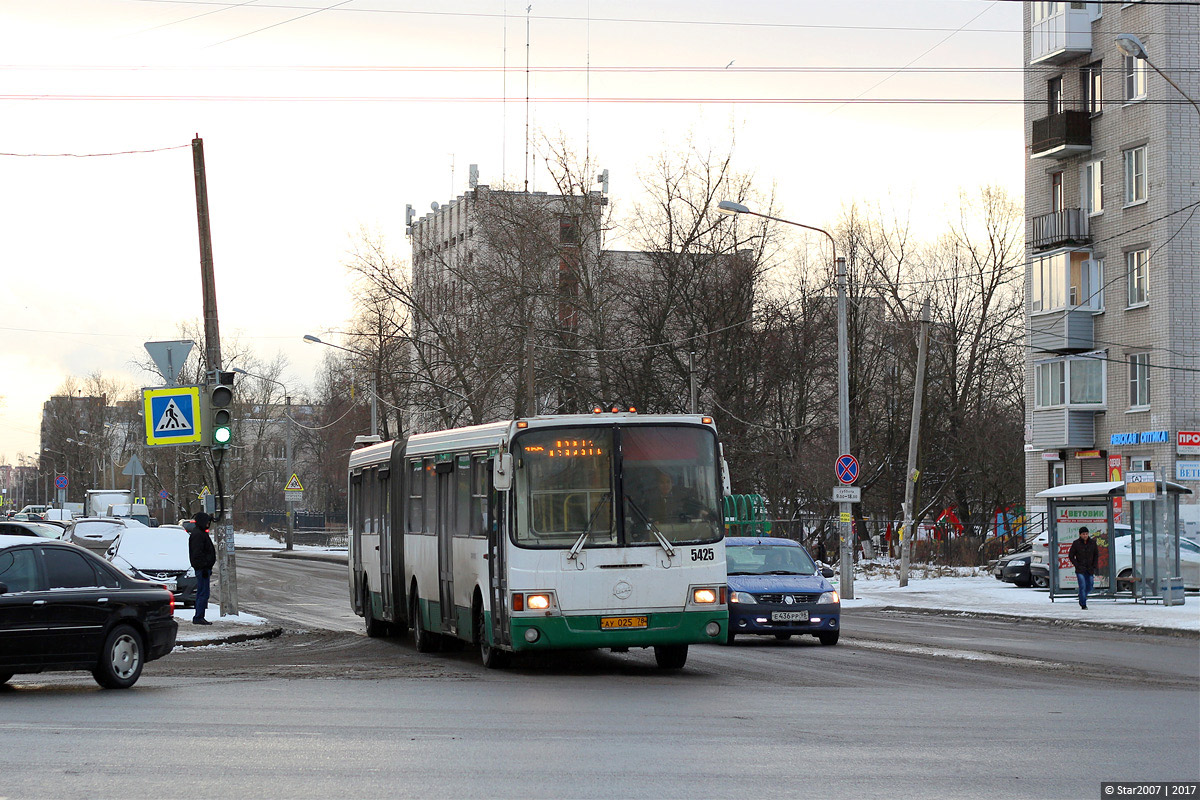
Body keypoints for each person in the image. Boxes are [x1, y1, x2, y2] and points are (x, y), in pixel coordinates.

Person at [189, 511, 217, 625]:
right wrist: (204, 566)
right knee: (203, 593)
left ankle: (199, 616)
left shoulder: (200, 533)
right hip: (202, 569)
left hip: (204, 568)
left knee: (203, 592)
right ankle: (198, 617)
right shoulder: (198, 535)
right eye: (207, 522)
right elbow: (197, 554)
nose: (208, 524)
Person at [1068, 526, 1099, 609]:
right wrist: (1076, 564)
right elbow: (1071, 555)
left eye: (1086, 534)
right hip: (1080, 569)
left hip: (1090, 568)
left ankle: (1082, 595)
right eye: (1083, 534)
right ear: (1080, 535)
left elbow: (1096, 555)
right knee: (1082, 585)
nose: (1085, 536)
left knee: (1090, 585)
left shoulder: (1092, 542)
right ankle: (1083, 604)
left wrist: (1094, 565)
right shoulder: (1076, 543)